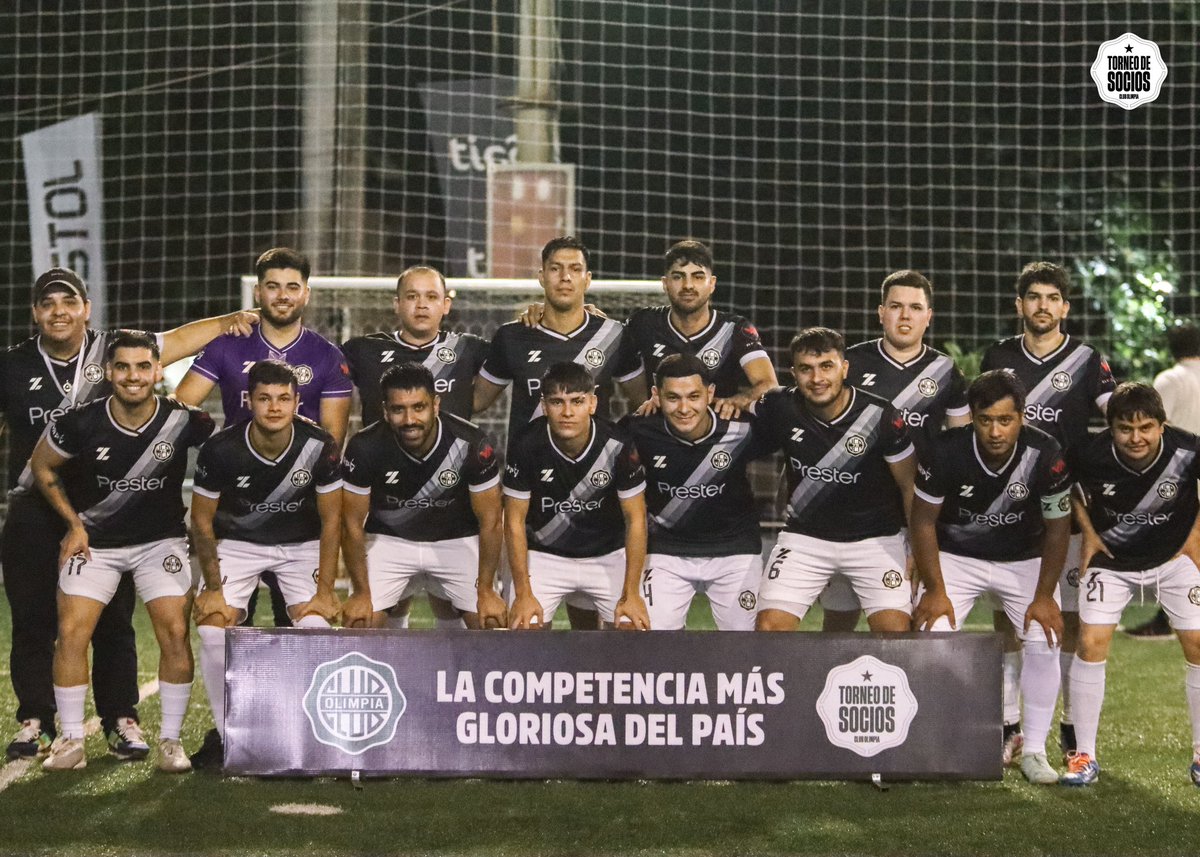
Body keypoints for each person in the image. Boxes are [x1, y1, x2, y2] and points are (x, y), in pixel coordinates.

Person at [1, 267, 255, 760]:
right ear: (35, 313)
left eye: (68, 302)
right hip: (35, 504)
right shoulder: (11, 364)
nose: (58, 312)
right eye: (48, 304)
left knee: (113, 621)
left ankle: (120, 718)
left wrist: (232, 320)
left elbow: (178, 340)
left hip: (101, 511)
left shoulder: (114, 349)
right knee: (32, 620)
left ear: (86, 309)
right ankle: (37, 721)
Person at [28, 332, 216, 772]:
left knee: (175, 632)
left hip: (160, 543)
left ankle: (170, 741)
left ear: (157, 371)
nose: (134, 376)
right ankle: (71, 741)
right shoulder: (79, 422)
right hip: (96, 544)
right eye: (124, 367)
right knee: (71, 633)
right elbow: (42, 465)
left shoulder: (186, 421)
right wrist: (73, 525)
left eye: (143, 366)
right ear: (109, 372)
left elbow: (227, 459)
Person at [174, 247, 352, 630]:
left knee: (304, 628)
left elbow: (333, 440)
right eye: (273, 286)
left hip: (300, 510)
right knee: (225, 625)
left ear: (306, 294)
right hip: (236, 508)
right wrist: (211, 445)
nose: (283, 295)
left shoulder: (327, 356)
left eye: (292, 287)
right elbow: (181, 407)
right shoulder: (227, 344)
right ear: (257, 293)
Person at [980, 261, 1116, 762]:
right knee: (1009, 619)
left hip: (1070, 506)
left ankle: (1070, 725)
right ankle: (1009, 723)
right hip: (1010, 506)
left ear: (1065, 307)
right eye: (1034, 296)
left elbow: (1118, 414)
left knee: (1071, 619)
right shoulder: (998, 357)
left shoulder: (1086, 359)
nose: (1043, 305)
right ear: (1020, 305)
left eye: (1052, 297)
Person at [474, 236, 646, 629]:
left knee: (598, 635)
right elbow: (476, 401)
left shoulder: (614, 335)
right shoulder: (512, 336)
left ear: (588, 279)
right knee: (527, 629)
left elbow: (641, 405)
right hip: (533, 500)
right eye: (555, 269)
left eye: (574, 270)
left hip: (596, 499)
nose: (564, 278)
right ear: (541, 277)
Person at [910, 370, 1072, 784]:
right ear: (972, 417)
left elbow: (1058, 529)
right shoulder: (945, 449)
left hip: (1023, 558)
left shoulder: (1047, 452)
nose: (995, 431)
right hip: (957, 556)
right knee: (931, 634)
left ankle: (1034, 752)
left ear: (1022, 416)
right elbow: (923, 521)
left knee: (1044, 637)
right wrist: (935, 589)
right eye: (985, 420)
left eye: (1005, 420)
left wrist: (1044, 596)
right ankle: (939, 745)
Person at [187, 360, 344, 769]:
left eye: (283, 399)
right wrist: (214, 589)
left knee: (315, 628)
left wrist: (326, 592)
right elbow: (201, 521)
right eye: (264, 399)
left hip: (300, 544)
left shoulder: (320, 445)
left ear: (296, 401)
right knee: (212, 630)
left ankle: (303, 735)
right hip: (238, 543)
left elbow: (332, 521)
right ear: (249, 401)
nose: (274, 407)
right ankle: (230, 739)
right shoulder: (221, 449)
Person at [1062, 382, 1200, 786]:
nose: (1136, 437)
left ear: (1162, 425)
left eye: (1145, 428)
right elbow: (1065, 490)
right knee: (1090, 643)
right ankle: (1083, 756)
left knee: (1198, 643)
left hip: (1174, 559)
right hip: (1112, 562)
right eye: (1125, 428)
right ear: (1110, 428)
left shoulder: (1188, 449)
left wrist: (1195, 535)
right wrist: (1087, 532)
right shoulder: (1087, 454)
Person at [820, 269, 970, 631]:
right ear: (881, 312)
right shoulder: (850, 364)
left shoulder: (946, 371)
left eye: (915, 308)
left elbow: (961, 445)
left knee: (905, 622)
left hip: (915, 516)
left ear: (928, 316)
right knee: (838, 619)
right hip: (851, 513)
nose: (905, 316)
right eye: (896, 306)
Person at [341, 264, 488, 630]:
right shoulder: (363, 350)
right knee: (380, 611)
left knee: (464, 613)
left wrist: (541, 314)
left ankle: (455, 665)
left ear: (446, 305)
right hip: (388, 511)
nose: (421, 305)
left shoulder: (470, 349)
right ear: (396, 304)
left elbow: (525, 359)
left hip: (452, 512)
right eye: (412, 296)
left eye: (431, 296)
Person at [752, 327, 917, 633]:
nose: (817, 378)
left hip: (875, 540)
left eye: (826, 366)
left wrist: (914, 549)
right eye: (806, 369)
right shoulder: (779, 406)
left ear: (844, 368)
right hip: (805, 538)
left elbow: (909, 486)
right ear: (793, 374)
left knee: (896, 634)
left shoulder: (880, 415)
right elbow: (732, 418)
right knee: (769, 628)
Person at [340, 364, 504, 631]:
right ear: (385, 410)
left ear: (435, 405)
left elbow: (492, 522)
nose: (409, 419)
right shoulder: (364, 446)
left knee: (492, 622)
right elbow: (351, 524)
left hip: (456, 541)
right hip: (390, 541)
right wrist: (360, 592)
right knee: (360, 622)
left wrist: (486, 590)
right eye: (398, 409)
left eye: (419, 407)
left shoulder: (470, 443)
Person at [623, 355, 767, 630]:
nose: (684, 408)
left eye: (693, 396)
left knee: (746, 641)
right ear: (656, 395)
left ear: (710, 393)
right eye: (672, 398)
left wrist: (745, 400)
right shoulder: (638, 430)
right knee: (645, 635)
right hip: (666, 550)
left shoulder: (742, 428)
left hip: (735, 549)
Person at [503, 362, 650, 630]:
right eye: (557, 402)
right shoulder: (526, 444)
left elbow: (636, 518)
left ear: (592, 403)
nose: (567, 412)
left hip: (607, 555)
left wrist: (631, 594)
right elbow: (513, 521)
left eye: (577, 401)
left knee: (632, 630)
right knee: (525, 628)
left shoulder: (618, 444)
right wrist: (523, 594)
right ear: (544, 406)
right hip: (545, 555)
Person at [622, 239, 777, 417]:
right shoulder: (643, 322)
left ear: (712, 283)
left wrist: (738, 401)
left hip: (718, 429)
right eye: (678, 277)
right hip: (660, 429)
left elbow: (769, 384)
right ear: (665, 284)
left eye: (698, 277)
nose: (688, 285)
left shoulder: (733, 329)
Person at [1125, 322, 1200, 639]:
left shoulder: (1170, 379)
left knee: (1176, 550)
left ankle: (1167, 619)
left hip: (1179, 477)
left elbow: (1157, 427)